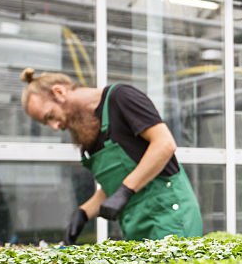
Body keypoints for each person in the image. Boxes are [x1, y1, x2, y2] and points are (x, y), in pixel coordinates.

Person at [20, 68, 202, 244]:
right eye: (46, 123)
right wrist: (83, 214)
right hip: (136, 225)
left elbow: (164, 144)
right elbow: (116, 185)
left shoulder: (121, 98)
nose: (55, 126)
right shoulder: (87, 129)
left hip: (170, 215)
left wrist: (125, 191)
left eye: (50, 116)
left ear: (59, 92)